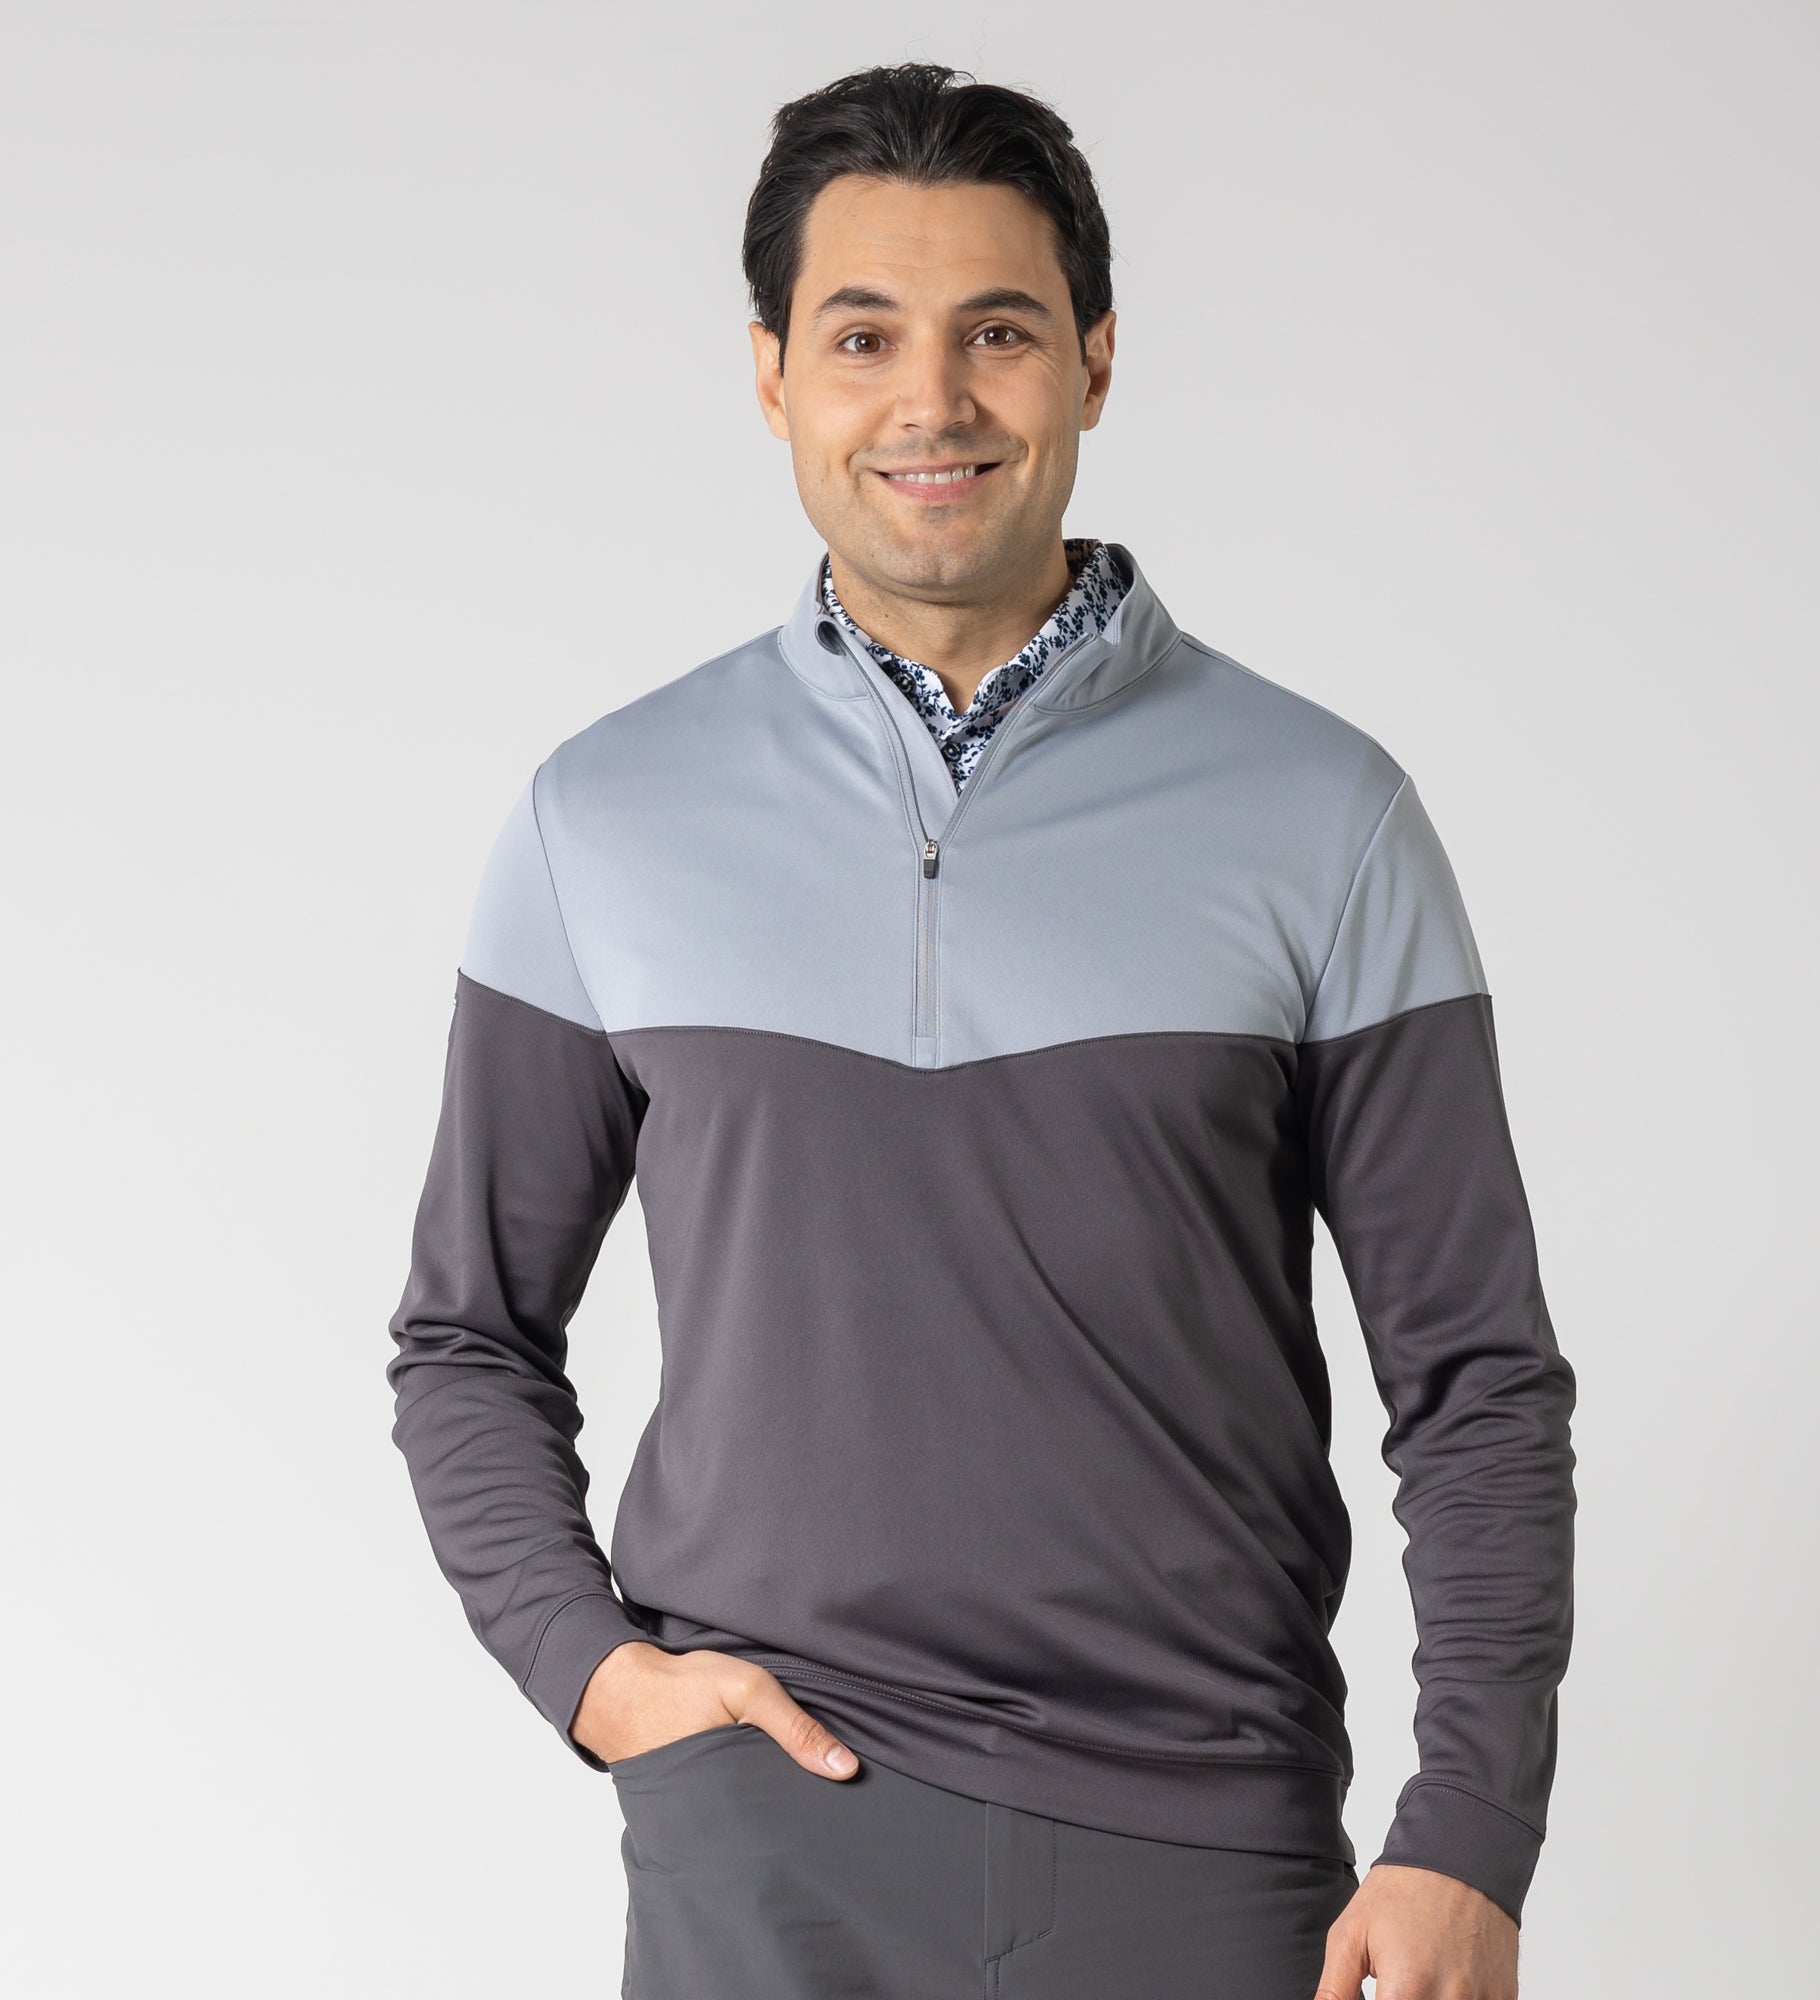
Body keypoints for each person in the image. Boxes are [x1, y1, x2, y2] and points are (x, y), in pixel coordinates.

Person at [386, 60, 1577, 2000]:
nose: (931, 401)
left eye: (998, 332)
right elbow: (467, 1334)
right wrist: (598, 1678)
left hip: (1209, 1847)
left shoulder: (1323, 812)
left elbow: (1475, 1378)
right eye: (864, 336)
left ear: (1094, 361)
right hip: (766, 1845)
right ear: (772, 372)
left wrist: (1469, 1833)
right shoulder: (601, 816)